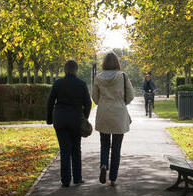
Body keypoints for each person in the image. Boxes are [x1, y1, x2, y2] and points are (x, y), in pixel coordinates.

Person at [46, 59, 92, 187]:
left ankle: (65, 180)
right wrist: (85, 118)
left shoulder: (58, 83)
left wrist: (49, 118)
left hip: (60, 119)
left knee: (64, 150)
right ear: (76, 70)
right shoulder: (81, 84)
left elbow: (50, 102)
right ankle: (77, 178)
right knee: (76, 149)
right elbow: (87, 103)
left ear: (65, 69)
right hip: (76, 119)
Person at [92, 51, 134, 186]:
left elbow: (95, 98)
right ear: (117, 63)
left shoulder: (98, 77)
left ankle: (104, 164)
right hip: (118, 114)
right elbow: (131, 95)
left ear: (104, 63)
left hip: (104, 113)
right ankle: (113, 178)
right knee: (116, 148)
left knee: (104, 144)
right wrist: (122, 102)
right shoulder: (122, 76)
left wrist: (103, 102)